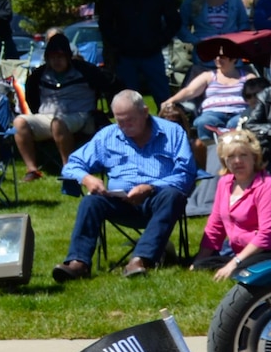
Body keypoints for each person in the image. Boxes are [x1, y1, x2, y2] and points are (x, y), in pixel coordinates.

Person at [53, 90, 195, 280]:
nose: (125, 126)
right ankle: (78, 263)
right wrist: (87, 178)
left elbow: (186, 173)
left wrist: (150, 187)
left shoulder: (172, 132)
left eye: (130, 120)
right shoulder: (107, 136)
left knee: (173, 195)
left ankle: (140, 259)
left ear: (145, 112)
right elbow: (72, 165)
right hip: (120, 201)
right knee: (91, 202)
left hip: (158, 201)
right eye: (120, 121)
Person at [13, 31, 111, 180]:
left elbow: (108, 86)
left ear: (67, 57)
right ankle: (32, 169)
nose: (56, 61)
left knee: (58, 123)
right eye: (52, 58)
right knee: (19, 122)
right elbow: (31, 98)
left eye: (59, 57)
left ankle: (69, 169)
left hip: (80, 115)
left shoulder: (86, 71)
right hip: (47, 116)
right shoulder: (39, 75)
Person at [95, 0, 179, 102]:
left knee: (163, 95)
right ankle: (131, 123)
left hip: (152, 54)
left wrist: (161, 40)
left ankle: (167, 121)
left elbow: (174, 20)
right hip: (126, 55)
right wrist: (118, 43)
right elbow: (105, 23)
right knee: (128, 96)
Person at [194, 129, 271, 278]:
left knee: (238, 272)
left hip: (264, 250)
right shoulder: (224, 183)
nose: (237, 161)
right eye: (231, 156)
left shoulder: (266, 186)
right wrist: (199, 259)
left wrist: (234, 262)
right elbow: (215, 226)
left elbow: (267, 234)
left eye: (243, 155)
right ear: (224, 161)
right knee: (201, 266)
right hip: (239, 251)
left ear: (254, 157)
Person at [159, 43, 251, 167]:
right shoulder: (209, 76)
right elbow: (189, 91)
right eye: (216, 56)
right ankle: (210, 160)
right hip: (213, 113)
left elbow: (260, 91)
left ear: (233, 59)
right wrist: (171, 100)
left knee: (237, 124)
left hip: (238, 112)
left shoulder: (246, 76)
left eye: (222, 57)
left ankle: (237, 159)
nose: (218, 59)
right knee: (203, 122)